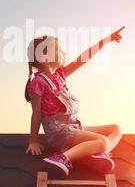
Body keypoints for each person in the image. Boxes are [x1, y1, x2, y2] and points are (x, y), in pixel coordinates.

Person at [25, 27, 125, 176]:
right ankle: (61, 158)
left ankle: (92, 152)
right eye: (58, 49)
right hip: (58, 133)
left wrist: (106, 40)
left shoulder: (60, 75)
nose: (63, 52)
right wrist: (33, 141)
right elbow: (36, 115)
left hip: (72, 127)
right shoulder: (38, 82)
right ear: (45, 57)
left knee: (116, 129)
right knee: (103, 142)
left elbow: (83, 58)